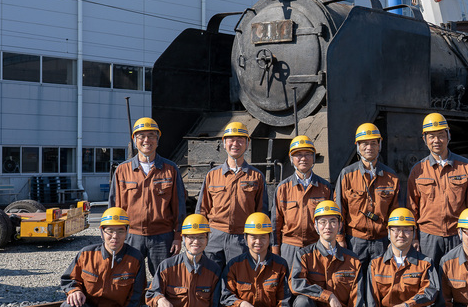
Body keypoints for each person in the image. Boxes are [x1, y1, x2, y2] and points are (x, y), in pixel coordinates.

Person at [407, 113, 468, 307]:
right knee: (430, 284)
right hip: (429, 236)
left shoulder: (465, 166)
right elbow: (410, 209)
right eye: (431, 136)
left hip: (458, 236)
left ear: (448, 136)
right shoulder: (418, 171)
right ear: (425, 140)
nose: (436, 141)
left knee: (460, 282)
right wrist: (415, 239)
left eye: (441, 135)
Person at [60, 207, 145, 307]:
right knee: (69, 306)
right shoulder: (86, 254)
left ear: (127, 232)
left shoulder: (135, 258)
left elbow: (136, 297)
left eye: (120, 231)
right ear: (101, 232)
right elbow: (68, 279)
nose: (115, 236)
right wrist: (74, 290)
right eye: (110, 231)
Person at [109, 116, 185, 277]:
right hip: (131, 236)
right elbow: (114, 207)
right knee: (128, 278)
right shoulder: (122, 170)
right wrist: (114, 235)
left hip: (162, 237)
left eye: (151, 136)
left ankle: (160, 302)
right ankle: (135, 303)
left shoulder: (170, 169)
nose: (146, 140)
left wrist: (178, 237)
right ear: (134, 140)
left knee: (165, 278)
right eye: (141, 136)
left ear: (157, 140)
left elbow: (179, 206)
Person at [367, 208, 440, 307]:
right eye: (397, 230)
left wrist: (407, 305)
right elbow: (371, 303)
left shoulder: (425, 262)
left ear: (414, 233)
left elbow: (430, 291)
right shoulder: (375, 264)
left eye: (407, 230)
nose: (401, 234)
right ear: (389, 232)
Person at [197, 121, 268, 269]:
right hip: (214, 238)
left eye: (240, 139)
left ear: (247, 143)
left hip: (242, 239)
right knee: (211, 280)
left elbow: (261, 211)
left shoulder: (256, 177)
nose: (235, 143)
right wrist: (202, 238)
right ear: (224, 143)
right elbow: (202, 210)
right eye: (231, 139)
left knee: (239, 280)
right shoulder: (212, 175)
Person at [334, 122, 402, 273]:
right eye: (364, 143)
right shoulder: (346, 175)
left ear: (379, 145)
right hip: (354, 241)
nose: (369, 147)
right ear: (358, 146)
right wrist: (340, 238)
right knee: (355, 283)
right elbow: (339, 209)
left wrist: (394, 240)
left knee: (380, 283)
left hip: (382, 242)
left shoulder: (391, 177)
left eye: (373, 143)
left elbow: (395, 211)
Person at [271, 135, 332, 269]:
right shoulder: (283, 188)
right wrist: (275, 249)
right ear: (291, 159)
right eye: (298, 155)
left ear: (314, 157)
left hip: (316, 246)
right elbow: (276, 222)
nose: (303, 158)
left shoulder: (325, 188)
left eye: (308, 154)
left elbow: (332, 220)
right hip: (290, 247)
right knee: (289, 286)